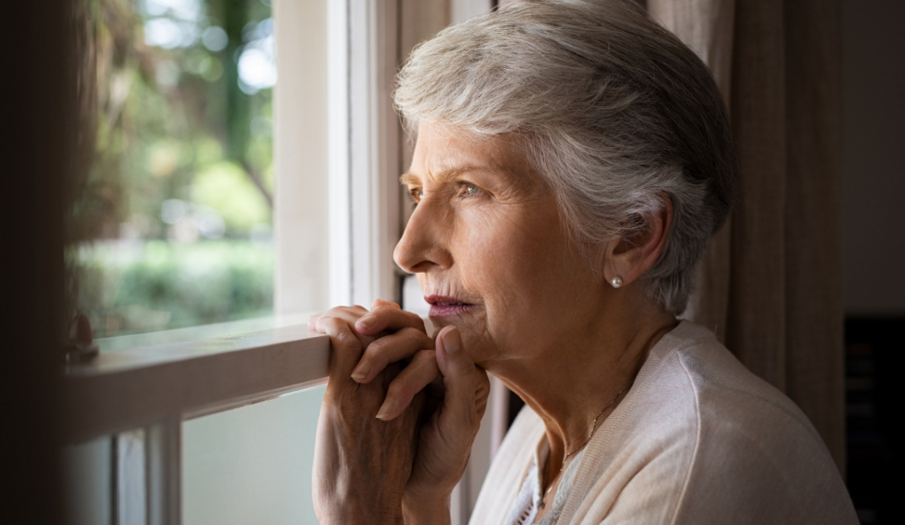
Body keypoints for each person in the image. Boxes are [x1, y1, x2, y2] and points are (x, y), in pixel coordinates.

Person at [308, 1, 858, 523]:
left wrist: (361, 513)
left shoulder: (701, 458)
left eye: (470, 189)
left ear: (631, 234)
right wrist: (422, 500)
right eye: (416, 192)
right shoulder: (540, 436)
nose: (408, 251)